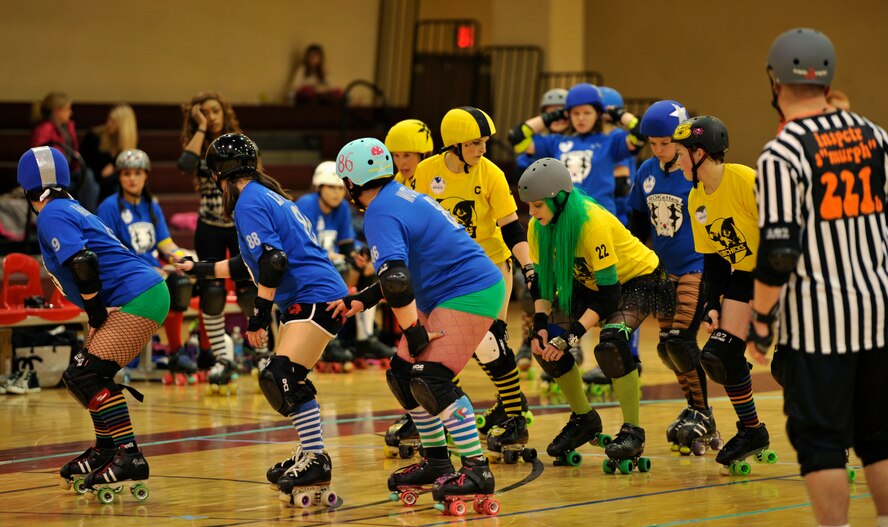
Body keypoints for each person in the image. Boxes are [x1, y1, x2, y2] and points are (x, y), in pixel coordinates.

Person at [749, 28, 888, 527]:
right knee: (878, 435)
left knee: (822, 442)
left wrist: (761, 319)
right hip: (880, 310)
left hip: (819, 323)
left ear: (775, 80)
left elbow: (780, 252)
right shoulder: (875, 135)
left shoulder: (783, 153)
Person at [329, 138, 501, 513]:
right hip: (444, 290)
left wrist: (412, 331)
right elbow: (398, 274)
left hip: (470, 290)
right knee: (403, 374)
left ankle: (477, 469)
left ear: (352, 183)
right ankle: (437, 462)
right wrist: (362, 298)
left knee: (431, 379)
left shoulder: (379, 212)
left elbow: (397, 282)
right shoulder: (397, 196)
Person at [177, 133, 349, 505]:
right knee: (286, 375)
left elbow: (273, 263)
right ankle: (310, 453)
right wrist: (199, 268)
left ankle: (316, 456)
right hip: (314, 293)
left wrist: (258, 317)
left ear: (218, 177)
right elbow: (252, 262)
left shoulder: (248, 203)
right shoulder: (264, 195)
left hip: (314, 294)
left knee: (281, 375)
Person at [18, 146, 169, 500]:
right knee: (80, 377)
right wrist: (98, 309)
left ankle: (129, 454)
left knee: (88, 376)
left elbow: (83, 263)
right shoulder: (69, 207)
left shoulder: (52, 213)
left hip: (138, 295)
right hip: (139, 293)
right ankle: (106, 449)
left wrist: (96, 311)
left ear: (26, 188)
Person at [517, 158, 669, 471]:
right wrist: (542, 326)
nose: (530, 213)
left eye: (535, 206)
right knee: (546, 346)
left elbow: (610, 295)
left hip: (638, 279)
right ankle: (584, 419)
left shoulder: (591, 222)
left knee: (611, 345)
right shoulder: (538, 225)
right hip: (588, 281)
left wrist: (574, 334)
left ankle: (633, 431)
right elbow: (543, 285)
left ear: (558, 199)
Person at [411, 106, 535, 455]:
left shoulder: (491, 174)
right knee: (443, 345)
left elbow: (511, 226)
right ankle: (457, 412)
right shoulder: (426, 172)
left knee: (489, 342)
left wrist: (528, 267)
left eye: (484, 143)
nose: (482, 150)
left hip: (489, 266)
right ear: (454, 145)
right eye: (475, 143)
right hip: (444, 269)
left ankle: (515, 417)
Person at [671, 115, 774, 474]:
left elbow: (785, 231)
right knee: (719, 356)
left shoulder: (745, 180)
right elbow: (714, 261)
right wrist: (711, 304)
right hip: (746, 275)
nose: (677, 160)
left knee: (790, 366)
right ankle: (752, 431)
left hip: (782, 273)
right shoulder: (696, 198)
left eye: (682, 154)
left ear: (700, 153)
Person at [626, 100, 718, 454]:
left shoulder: (692, 171)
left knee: (681, 341)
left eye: (666, 143)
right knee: (667, 347)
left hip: (696, 266)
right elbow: (636, 221)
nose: (660, 149)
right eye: (654, 143)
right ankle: (696, 409)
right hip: (662, 271)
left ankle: (703, 412)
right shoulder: (647, 170)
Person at [177, 91, 260, 389]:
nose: (211, 116)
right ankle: (222, 358)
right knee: (212, 291)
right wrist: (199, 128)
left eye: (215, 111)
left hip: (238, 222)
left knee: (249, 288)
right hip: (209, 225)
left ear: (224, 112)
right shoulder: (199, 146)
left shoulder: (237, 144)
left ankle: (262, 354)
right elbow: (185, 165)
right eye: (204, 112)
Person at [96, 149, 195, 382]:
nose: (132, 178)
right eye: (127, 173)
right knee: (171, 284)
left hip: (153, 272)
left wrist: (182, 258)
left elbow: (165, 244)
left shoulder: (151, 206)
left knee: (184, 281)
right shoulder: (109, 208)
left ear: (146, 176)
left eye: (137, 173)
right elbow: (107, 252)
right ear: (119, 177)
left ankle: (177, 352)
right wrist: (146, 271)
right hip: (126, 274)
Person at [295, 161, 392, 366]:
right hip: (307, 265)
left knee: (367, 268)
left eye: (340, 188)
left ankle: (364, 338)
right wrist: (341, 257)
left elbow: (347, 247)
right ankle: (329, 340)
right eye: (331, 187)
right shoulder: (305, 204)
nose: (337, 193)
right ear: (319, 187)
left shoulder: (342, 210)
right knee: (337, 271)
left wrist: (358, 256)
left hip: (332, 264)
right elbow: (304, 246)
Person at [581, 86, 644, 389]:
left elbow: (638, 131)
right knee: (603, 294)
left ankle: (629, 355)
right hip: (602, 227)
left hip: (617, 229)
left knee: (621, 294)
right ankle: (614, 356)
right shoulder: (603, 145)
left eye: (601, 114)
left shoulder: (617, 145)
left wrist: (618, 114)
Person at [508, 82, 646, 214]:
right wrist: (551, 116)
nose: (581, 118)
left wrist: (618, 113)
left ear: (598, 114)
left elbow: (640, 134)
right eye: (575, 113)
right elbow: (518, 138)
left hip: (600, 216)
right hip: (566, 217)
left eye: (587, 113)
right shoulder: (556, 142)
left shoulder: (610, 141)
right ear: (568, 115)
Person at [30, 91, 98, 211]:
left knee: (89, 177)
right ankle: (88, 214)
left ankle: (86, 213)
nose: (70, 112)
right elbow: (38, 156)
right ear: (57, 111)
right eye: (68, 109)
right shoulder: (44, 129)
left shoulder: (66, 127)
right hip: (52, 176)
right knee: (88, 179)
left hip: (68, 170)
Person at [81, 104, 139, 202]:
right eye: (108, 119)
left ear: (122, 126)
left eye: (112, 121)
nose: (108, 124)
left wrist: (114, 168)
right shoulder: (94, 137)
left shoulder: (129, 145)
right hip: (94, 180)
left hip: (113, 181)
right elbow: (85, 166)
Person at [514, 88, 569, 173]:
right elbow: (516, 136)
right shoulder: (539, 140)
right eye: (552, 114)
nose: (558, 119)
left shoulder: (579, 139)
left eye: (561, 114)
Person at [385, 118, 434, 187]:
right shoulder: (400, 179)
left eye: (406, 155)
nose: (400, 162)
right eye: (396, 155)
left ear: (425, 155)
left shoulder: (437, 182)